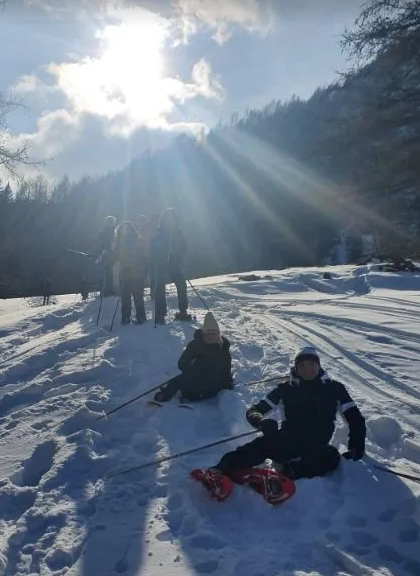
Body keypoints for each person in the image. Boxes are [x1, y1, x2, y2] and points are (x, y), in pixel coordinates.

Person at [203, 346, 366, 504]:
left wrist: (356, 447)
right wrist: (260, 422)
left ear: (319, 365)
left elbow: (355, 418)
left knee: (331, 456)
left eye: (312, 364)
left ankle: (286, 474)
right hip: (288, 441)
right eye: (302, 365)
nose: (308, 369)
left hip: (317, 445)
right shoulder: (285, 389)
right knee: (263, 442)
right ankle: (221, 469)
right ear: (296, 367)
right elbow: (254, 411)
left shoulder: (335, 389)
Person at [153, 312, 233, 402]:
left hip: (212, 380)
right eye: (208, 334)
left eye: (213, 334)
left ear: (218, 335)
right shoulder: (195, 345)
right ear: (203, 334)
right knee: (179, 380)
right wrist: (190, 366)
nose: (211, 336)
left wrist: (227, 382)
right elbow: (181, 363)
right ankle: (166, 393)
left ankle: (190, 397)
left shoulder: (223, 348)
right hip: (195, 377)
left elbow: (227, 367)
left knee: (208, 390)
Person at [151, 209, 189, 323]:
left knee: (182, 284)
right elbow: (153, 248)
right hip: (161, 264)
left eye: (172, 219)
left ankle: (183, 311)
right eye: (168, 219)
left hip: (174, 263)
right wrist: (159, 256)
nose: (170, 221)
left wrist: (178, 257)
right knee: (159, 288)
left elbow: (184, 248)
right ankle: (160, 314)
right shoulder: (159, 233)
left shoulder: (178, 233)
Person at [112, 221, 147, 325]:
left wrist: (106, 259)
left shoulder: (119, 243)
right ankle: (140, 317)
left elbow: (114, 256)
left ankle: (126, 318)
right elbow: (143, 256)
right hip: (136, 273)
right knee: (137, 296)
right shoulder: (138, 240)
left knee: (126, 297)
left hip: (126, 273)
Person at [95, 215, 117, 297]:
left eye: (111, 222)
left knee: (114, 273)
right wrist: (102, 251)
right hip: (106, 254)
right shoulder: (103, 232)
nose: (110, 223)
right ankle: (107, 291)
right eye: (108, 222)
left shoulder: (117, 231)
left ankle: (113, 290)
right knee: (107, 273)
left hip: (115, 254)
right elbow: (99, 243)